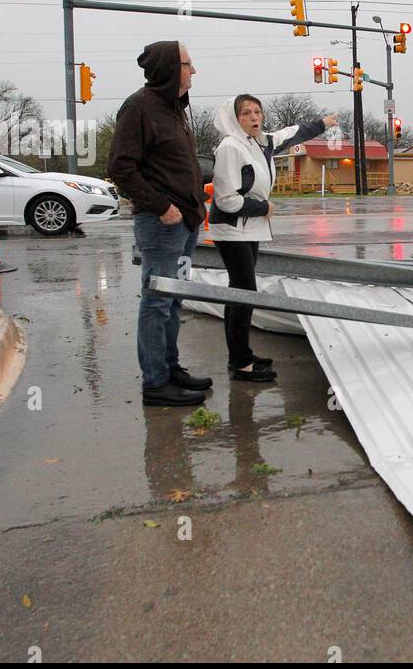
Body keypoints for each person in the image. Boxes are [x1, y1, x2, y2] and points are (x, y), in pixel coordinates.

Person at [108, 41, 213, 407]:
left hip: (185, 222)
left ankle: (170, 368)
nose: (193, 71)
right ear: (170, 68)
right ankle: (155, 383)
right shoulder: (139, 107)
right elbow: (121, 167)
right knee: (156, 301)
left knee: (174, 299)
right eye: (188, 64)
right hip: (161, 223)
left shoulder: (175, 108)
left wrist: (195, 207)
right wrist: (162, 206)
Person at [208, 94, 335, 381]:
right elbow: (226, 199)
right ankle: (241, 363)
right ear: (234, 119)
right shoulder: (231, 147)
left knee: (239, 291)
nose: (254, 117)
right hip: (233, 228)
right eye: (246, 113)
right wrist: (263, 207)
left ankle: (239, 355)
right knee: (243, 292)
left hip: (248, 227)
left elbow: (291, 134)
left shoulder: (260, 143)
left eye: (257, 112)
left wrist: (321, 124)